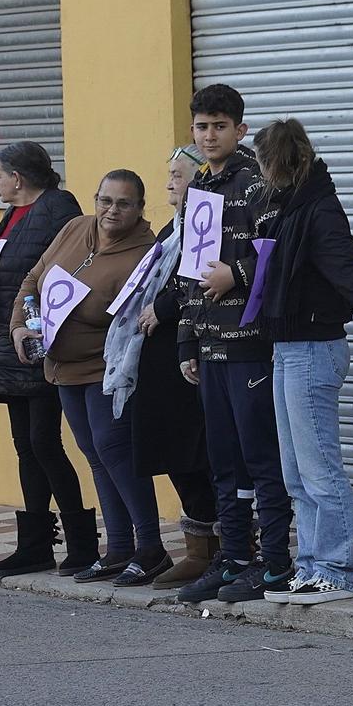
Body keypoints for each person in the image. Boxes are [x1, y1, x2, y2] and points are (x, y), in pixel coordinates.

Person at [251, 119, 353, 605]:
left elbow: (345, 266)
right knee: (295, 472)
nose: (262, 173)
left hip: (313, 348)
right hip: (287, 347)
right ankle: (310, 564)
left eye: (264, 162)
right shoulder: (284, 207)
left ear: (279, 161)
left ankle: (336, 569)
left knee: (319, 468)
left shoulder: (319, 208)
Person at [10, 170, 164, 585]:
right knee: (95, 454)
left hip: (105, 369)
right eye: (105, 200)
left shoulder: (147, 253)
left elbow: (130, 320)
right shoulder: (75, 228)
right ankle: (118, 548)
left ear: (140, 209)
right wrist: (22, 327)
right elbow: (32, 281)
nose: (112, 211)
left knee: (114, 450)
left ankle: (150, 547)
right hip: (60, 368)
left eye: (124, 203)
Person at [175, 84, 296, 606]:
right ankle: (234, 561)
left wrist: (237, 274)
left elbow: (281, 255)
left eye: (219, 126)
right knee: (223, 463)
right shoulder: (200, 189)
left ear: (240, 130)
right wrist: (186, 341)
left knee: (260, 460)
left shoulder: (258, 184)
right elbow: (187, 272)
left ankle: (272, 563)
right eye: (201, 126)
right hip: (210, 346)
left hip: (251, 345)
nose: (209, 135)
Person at [101, 144, 217, 587]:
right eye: (169, 174)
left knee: (195, 452)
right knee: (170, 452)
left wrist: (163, 307)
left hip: (188, 355)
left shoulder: (208, 223)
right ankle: (198, 547)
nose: (169, 182)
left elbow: (195, 277)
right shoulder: (174, 227)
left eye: (178, 175)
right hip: (157, 358)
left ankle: (220, 546)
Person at [0, 141, 91, 575]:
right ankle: (36, 544)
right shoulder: (15, 215)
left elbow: (63, 274)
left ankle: (81, 541)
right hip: (8, 349)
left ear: (18, 178)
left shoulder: (57, 212)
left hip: (41, 347)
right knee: (26, 445)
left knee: (44, 441)